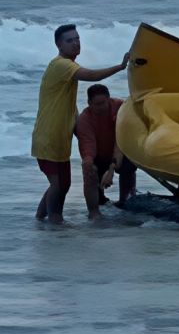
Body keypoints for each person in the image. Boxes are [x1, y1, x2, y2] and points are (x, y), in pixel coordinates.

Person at [31, 24, 129, 223]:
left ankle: (40, 220)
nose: (76, 43)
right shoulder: (62, 65)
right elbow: (91, 76)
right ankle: (55, 223)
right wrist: (120, 67)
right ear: (58, 45)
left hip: (59, 139)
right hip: (48, 137)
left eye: (77, 39)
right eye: (70, 40)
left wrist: (80, 129)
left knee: (62, 184)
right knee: (58, 185)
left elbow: (68, 106)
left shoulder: (66, 69)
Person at [75, 84, 137, 220]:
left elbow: (121, 140)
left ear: (109, 99)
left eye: (104, 103)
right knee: (89, 168)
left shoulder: (121, 107)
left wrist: (111, 170)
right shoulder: (84, 119)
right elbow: (87, 146)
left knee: (129, 165)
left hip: (121, 150)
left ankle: (126, 201)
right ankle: (94, 212)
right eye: (97, 104)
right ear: (89, 103)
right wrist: (89, 163)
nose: (101, 107)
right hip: (99, 155)